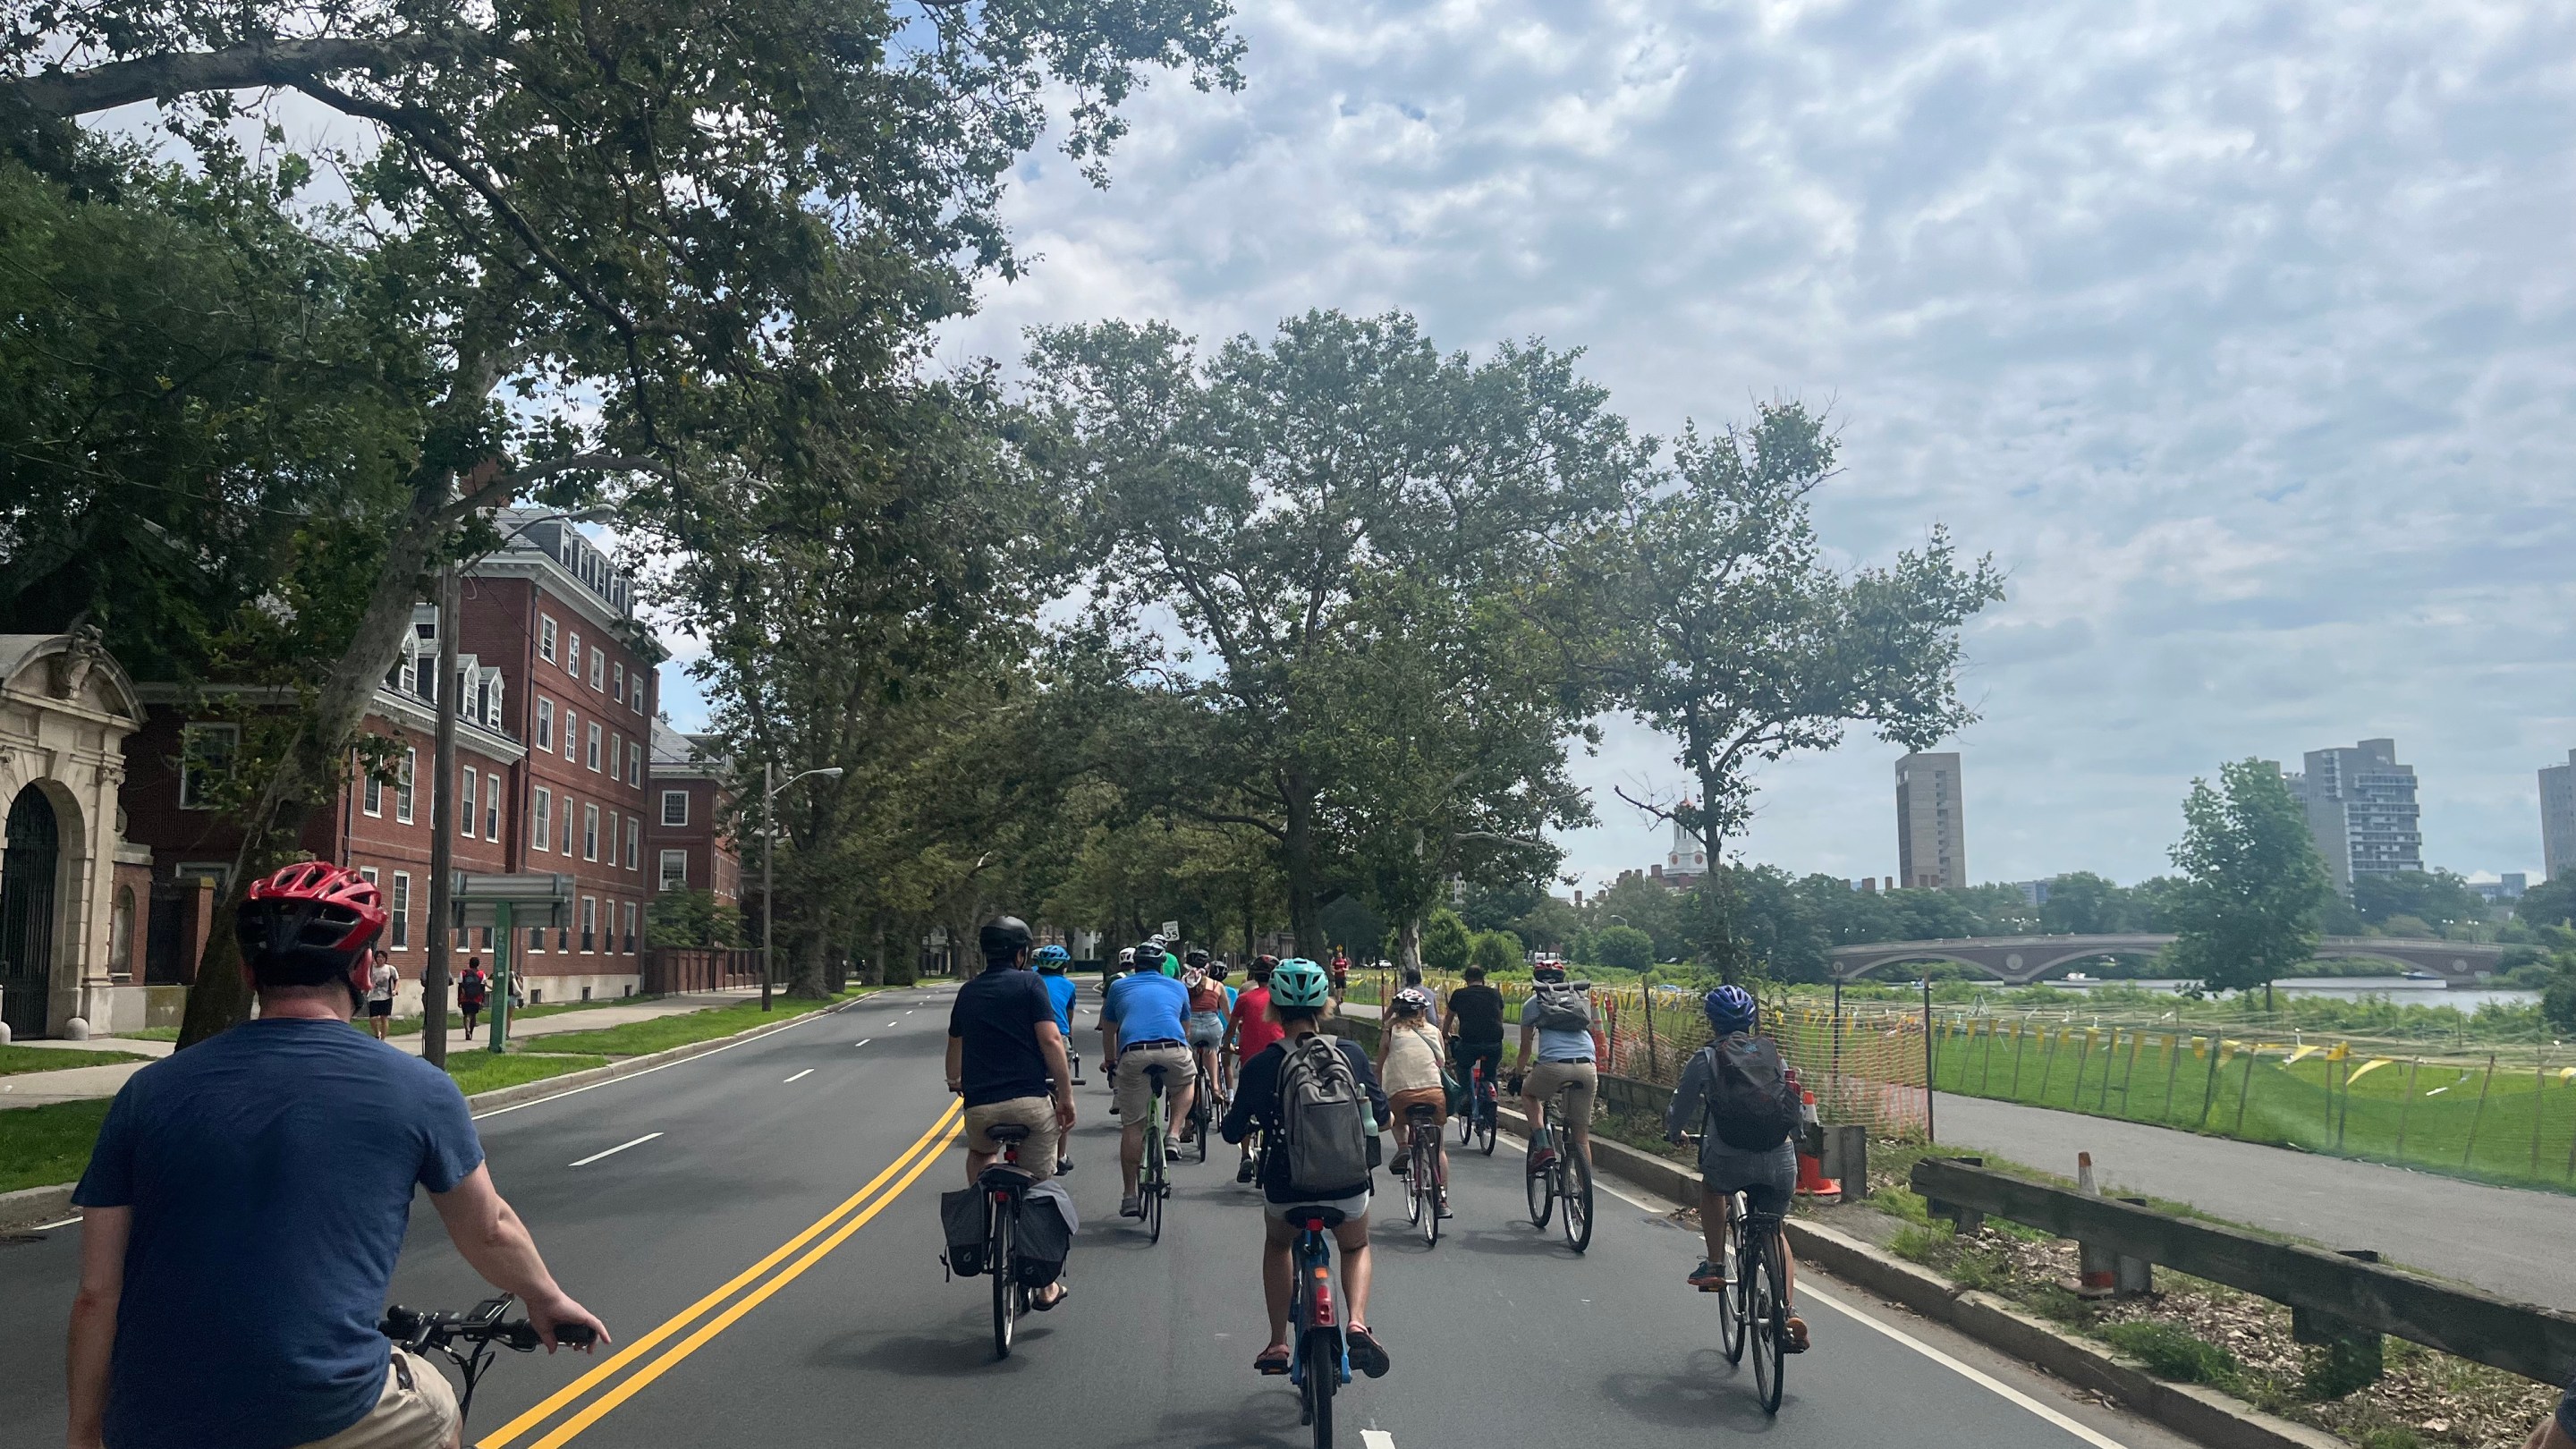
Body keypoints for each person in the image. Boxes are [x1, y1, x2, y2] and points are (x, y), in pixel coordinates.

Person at [66, 860, 607, 1449]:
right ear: (365, 969)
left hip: (155, 1417)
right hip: (320, 1402)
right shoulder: (418, 1090)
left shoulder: (148, 1093)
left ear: (250, 972)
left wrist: (85, 1431)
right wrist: (545, 1298)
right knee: (437, 1404)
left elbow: (98, 1294)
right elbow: (490, 1230)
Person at [1219, 958, 1392, 1380]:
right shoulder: (1348, 1053)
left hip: (1286, 1187)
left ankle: (1278, 1341)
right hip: (1348, 1184)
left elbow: (1231, 1132)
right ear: (1325, 1005)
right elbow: (1383, 1118)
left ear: (1272, 1008)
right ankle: (1356, 1321)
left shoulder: (1261, 1065)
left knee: (1278, 1244)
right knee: (1355, 1246)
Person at [1665, 985, 1808, 1352]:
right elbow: (1792, 1102)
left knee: (1713, 1188)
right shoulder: (1774, 1054)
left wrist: (1673, 1131)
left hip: (1729, 1157)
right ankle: (1787, 1313)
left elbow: (1682, 1104)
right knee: (1775, 1230)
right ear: (1753, 1020)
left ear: (1712, 1022)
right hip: (1779, 1156)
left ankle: (1714, 1264)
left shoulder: (1705, 1058)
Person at [945, 916, 1077, 1309]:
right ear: (1022, 954)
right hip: (1030, 1105)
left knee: (981, 1154)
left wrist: (955, 1080)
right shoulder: (1029, 984)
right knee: (1039, 1184)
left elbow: (955, 1044)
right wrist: (1066, 1096)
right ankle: (1045, 1286)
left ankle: (985, 1214)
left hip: (982, 1108)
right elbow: (1051, 1040)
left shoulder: (968, 992)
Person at [1101, 938, 1198, 1218]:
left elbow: (1109, 1029)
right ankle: (1174, 1133)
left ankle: (1130, 1195)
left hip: (1134, 1053)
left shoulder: (1119, 986)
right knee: (1186, 1083)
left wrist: (1110, 1061)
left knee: (1133, 1126)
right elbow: (1186, 1029)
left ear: (1135, 966)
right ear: (1162, 965)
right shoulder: (1178, 986)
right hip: (1174, 1049)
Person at [1513, 964, 1606, 1170]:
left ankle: (1544, 1146)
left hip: (1553, 1066)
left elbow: (1525, 1048)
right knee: (1581, 1137)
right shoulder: (1579, 999)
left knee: (1528, 1094)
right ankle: (1583, 1195)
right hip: (1587, 1066)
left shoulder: (1532, 1003)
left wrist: (1518, 1074)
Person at [1376, 986, 1453, 1217]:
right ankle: (1441, 1201)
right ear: (1422, 1012)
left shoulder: (1390, 1033)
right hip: (1434, 1093)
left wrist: (1379, 1093)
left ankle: (1403, 1147)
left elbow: (1379, 1068)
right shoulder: (1433, 1031)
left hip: (1401, 1096)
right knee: (1438, 1149)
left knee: (1395, 1118)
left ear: (1397, 1012)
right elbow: (1442, 1063)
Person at [1225, 958, 1283, 1182]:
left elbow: (1231, 1028)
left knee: (1246, 1108)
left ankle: (1245, 1156)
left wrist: (1226, 1046)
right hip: (1279, 1059)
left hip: (1252, 1063)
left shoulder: (1244, 999)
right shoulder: (1280, 999)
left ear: (1252, 976)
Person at [1033, 945, 1084, 1166]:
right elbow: (1068, 1018)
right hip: (1058, 1039)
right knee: (1061, 1095)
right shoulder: (1068, 985)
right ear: (1064, 967)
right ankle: (1061, 1155)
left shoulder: (1028, 981)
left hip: (1028, 1039)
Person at [1441, 964, 1506, 1120]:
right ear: (1483, 980)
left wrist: (1446, 1034)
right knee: (1491, 1074)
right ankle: (1492, 1104)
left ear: (1466, 980)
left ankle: (1466, 1098)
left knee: (1463, 1066)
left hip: (1470, 1043)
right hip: (1494, 1043)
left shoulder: (1459, 994)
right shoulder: (1495, 994)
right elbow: (1500, 1017)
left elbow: (1449, 1017)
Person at [1183, 952, 1230, 1121]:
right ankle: (1216, 1088)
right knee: (1211, 1051)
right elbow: (1227, 1014)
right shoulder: (1217, 985)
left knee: (1190, 1069)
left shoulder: (1182, 985)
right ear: (1208, 968)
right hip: (1212, 1026)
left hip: (1191, 1026)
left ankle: (1188, 1123)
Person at [365, 948, 398, 1039]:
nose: (380, 959)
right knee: (372, 1018)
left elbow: (397, 980)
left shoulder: (390, 969)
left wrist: (395, 990)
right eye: (378, 957)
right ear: (375, 958)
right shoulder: (372, 969)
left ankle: (383, 1039)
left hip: (386, 997)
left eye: (382, 957)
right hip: (374, 996)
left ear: (385, 958)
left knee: (384, 1018)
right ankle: (377, 1034)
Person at [456, 957, 490, 1041]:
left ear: (469, 964)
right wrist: (482, 1000)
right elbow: (482, 988)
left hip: (465, 998)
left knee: (467, 1015)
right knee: (473, 1015)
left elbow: (460, 986)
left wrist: (459, 999)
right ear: (478, 964)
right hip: (476, 998)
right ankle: (471, 1032)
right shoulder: (482, 974)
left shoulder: (463, 973)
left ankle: (467, 1030)